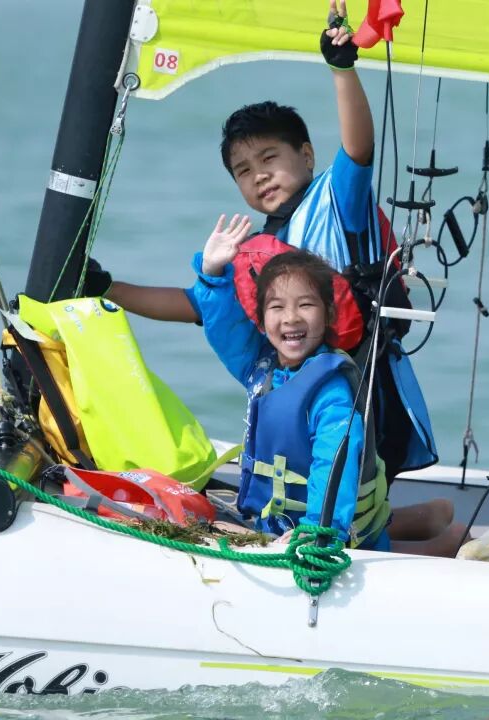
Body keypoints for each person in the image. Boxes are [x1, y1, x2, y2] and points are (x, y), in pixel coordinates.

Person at [84, 2, 445, 539]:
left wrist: (342, 69)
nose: (259, 176)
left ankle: (434, 537)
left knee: (353, 492)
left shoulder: (336, 199)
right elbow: (197, 306)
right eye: (243, 171)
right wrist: (108, 287)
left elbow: (359, 149)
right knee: (323, 485)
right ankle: (432, 521)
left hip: (359, 379)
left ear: (306, 155)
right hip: (297, 378)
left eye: (270, 158)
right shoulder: (254, 249)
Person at [192, 224, 465, 555]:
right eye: (277, 307)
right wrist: (212, 274)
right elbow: (226, 331)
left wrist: (319, 530)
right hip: (279, 525)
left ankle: (451, 541)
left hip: (335, 532)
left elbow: (334, 461)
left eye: (305, 305)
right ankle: (430, 516)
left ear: (329, 314)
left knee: (391, 550)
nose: (291, 318)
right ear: (261, 321)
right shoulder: (260, 368)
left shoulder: (331, 390)